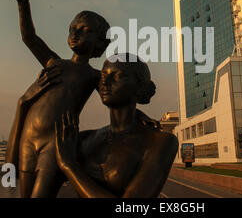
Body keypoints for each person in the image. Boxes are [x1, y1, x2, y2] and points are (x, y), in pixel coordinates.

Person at [6, 0, 111, 197]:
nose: (75, 33)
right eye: (73, 27)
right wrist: (23, 5)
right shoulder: (54, 63)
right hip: (28, 138)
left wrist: (139, 116)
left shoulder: (94, 76)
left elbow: (116, 99)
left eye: (85, 30)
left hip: (56, 143)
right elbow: (29, 37)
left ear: (100, 42)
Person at [54, 54, 179, 197]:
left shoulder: (160, 141)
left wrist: (69, 165)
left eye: (117, 76)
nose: (105, 82)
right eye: (102, 77)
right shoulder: (83, 138)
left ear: (139, 87)